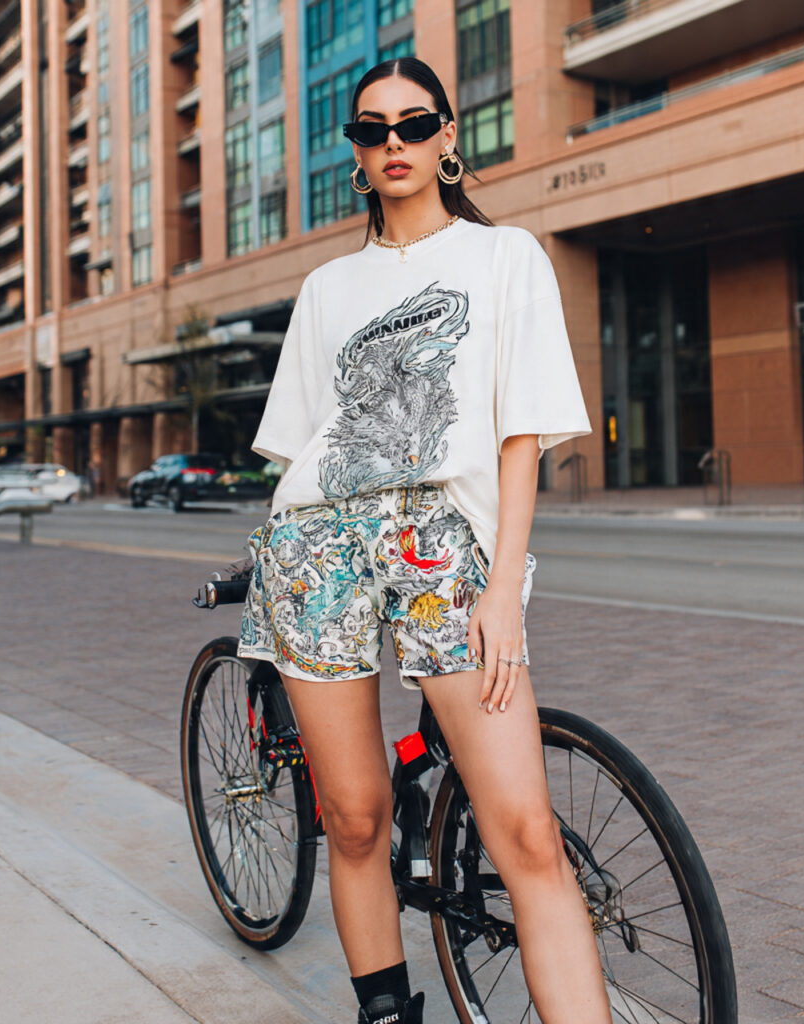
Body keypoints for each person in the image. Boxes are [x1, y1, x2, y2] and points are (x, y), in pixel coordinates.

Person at [237, 57, 613, 1024]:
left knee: (525, 830)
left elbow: (521, 429)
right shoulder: (326, 288)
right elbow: (307, 450)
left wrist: (502, 588)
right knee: (353, 818)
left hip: (443, 547)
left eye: (415, 124)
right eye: (373, 130)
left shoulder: (507, 258)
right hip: (318, 548)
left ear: (451, 137)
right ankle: (386, 1012)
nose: (394, 142)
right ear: (357, 156)